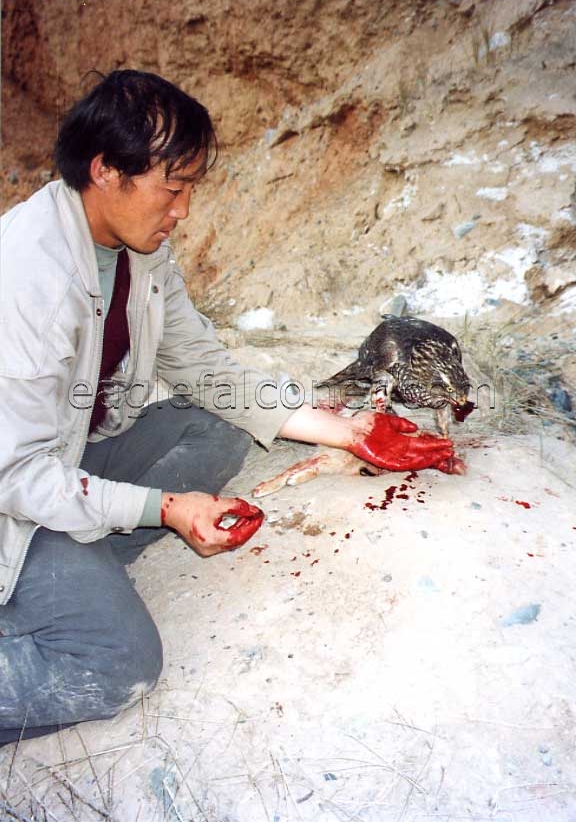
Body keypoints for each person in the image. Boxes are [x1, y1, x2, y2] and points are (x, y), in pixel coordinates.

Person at [0, 70, 454, 744]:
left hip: (65, 462)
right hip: (14, 502)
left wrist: (345, 431)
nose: (183, 209)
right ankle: (58, 592)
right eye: (173, 187)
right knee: (124, 661)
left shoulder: (138, 251)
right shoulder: (27, 276)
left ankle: (83, 556)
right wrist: (165, 509)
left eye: (190, 189)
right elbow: (18, 477)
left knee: (212, 430)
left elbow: (208, 370)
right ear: (105, 170)